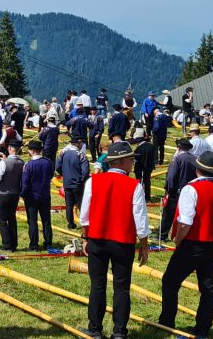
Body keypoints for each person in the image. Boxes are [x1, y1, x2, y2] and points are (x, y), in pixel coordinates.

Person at [157, 151, 213, 337]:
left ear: (197, 169)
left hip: (192, 245)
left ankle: (167, 321)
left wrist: (178, 239)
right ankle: (203, 327)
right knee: (207, 287)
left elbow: (186, 221)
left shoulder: (190, 189)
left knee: (170, 281)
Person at [80, 141, 150, 339]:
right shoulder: (134, 185)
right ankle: (119, 332)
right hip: (123, 242)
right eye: (130, 160)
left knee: (98, 285)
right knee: (121, 288)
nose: (133, 164)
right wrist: (144, 245)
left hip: (97, 240)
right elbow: (141, 219)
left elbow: (84, 216)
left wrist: (85, 236)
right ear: (121, 161)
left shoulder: (93, 181)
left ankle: (94, 329)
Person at [159, 138, 197, 241]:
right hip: (191, 190)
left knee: (169, 213)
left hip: (177, 190)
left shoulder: (177, 159)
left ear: (179, 147)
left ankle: (162, 235)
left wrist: (169, 189)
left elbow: (171, 176)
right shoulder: (195, 159)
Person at [20, 140, 54, 250]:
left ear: (33, 151)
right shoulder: (48, 162)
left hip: (31, 197)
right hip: (45, 195)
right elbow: (50, 175)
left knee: (32, 221)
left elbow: (25, 183)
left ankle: (34, 244)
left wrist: (23, 194)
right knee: (46, 220)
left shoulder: (28, 165)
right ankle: (48, 242)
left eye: (29, 150)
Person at [0, 139, 24, 251]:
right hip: (15, 193)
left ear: (10, 149)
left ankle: (7, 244)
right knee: (12, 218)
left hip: (3, 194)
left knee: (1, 220)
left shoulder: (3, 163)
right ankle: (14, 243)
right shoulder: (21, 162)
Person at [56, 134, 89, 229]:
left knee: (69, 204)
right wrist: (81, 180)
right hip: (78, 184)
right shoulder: (81, 155)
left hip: (67, 183)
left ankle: (70, 223)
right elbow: (85, 171)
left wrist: (65, 174)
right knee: (81, 204)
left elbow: (58, 166)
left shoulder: (64, 154)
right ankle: (85, 225)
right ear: (78, 143)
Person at [132, 130, 157, 202]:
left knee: (140, 183)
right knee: (147, 182)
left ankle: (140, 197)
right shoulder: (151, 146)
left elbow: (136, 159)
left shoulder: (139, 148)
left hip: (140, 168)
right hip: (149, 167)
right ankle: (147, 197)